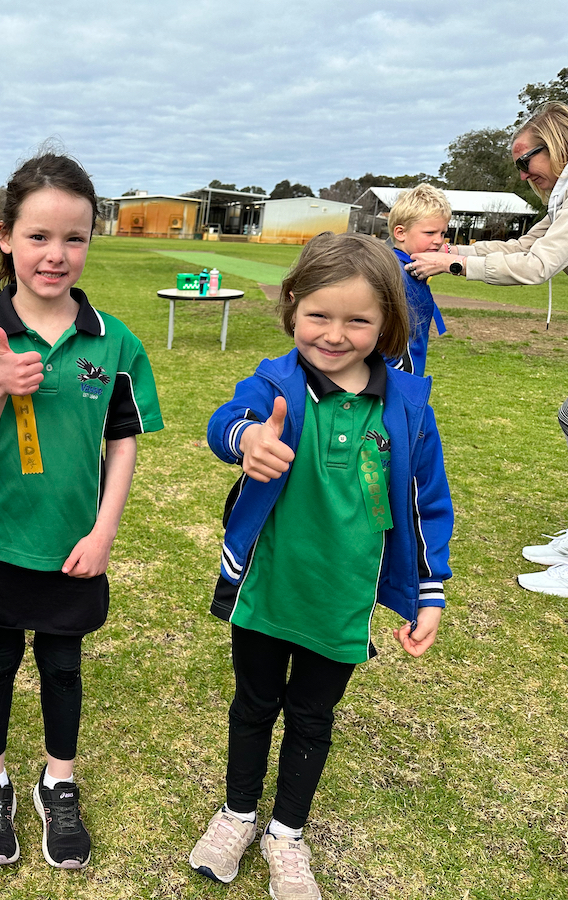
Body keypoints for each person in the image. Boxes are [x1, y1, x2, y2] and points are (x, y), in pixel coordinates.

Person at [188, 232, 453, 900]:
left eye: (357, 319)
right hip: (267, 586)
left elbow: (427, 506)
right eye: (319, 315)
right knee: (253, 705)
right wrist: (247, 438)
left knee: (311, 717)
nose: (334, 335)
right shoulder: (274, 382)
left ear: (388, 322)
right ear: (292, 308)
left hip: (342, 596)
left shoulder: (411, 408)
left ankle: (286, 833)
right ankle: (237, 815)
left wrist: (429, 593)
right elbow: (227, 421)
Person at [0, 152, 163, 870]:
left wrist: (104, 532)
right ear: (6, 236)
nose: (56, 254)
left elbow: (124, 443)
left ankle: (57, 785)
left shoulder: (116, 340)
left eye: (74, 237)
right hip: (3, 539)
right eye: (39, 236)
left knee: (63, 665)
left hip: (77, 545)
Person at [405, 102, 568, 593]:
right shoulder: (560, 200)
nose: (523, 174)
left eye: (527, 160)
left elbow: (537, 265)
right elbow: (519, 246)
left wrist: (449, 266)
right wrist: (452, 251)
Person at [386, 183, 452, 376]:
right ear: (400, 233)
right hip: (395, 381)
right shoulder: (394, 274)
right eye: (430, 233)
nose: (439, 240)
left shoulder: (414, 269)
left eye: (442, 233)